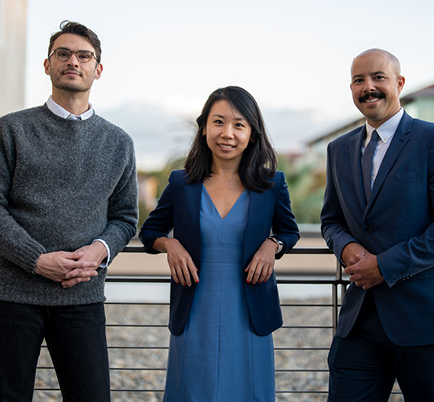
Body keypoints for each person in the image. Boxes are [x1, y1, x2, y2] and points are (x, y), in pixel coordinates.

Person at [0, 21, 138, 401]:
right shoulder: (10, 130)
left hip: (83, 296)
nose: (72, 61)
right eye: (63, 53)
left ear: (98, 69)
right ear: (48, 65)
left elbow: (126, 217)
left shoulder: (118, 142)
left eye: (83, 55)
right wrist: (36, 260)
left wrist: (100, 250)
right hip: (12, 297)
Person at [140, 86, 299, 401]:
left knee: (247, 389)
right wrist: (170, 246)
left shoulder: (272, 184)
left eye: (239, 124)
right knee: (193, 387)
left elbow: (289, 231)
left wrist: (273, 245)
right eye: (218, 122)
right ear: (204, 128)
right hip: (196, 305)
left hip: (249, 307)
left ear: (252, 133)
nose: (228, 133)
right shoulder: (180, 183)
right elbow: (150, 231)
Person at [321, 48, 434, 401]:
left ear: (399, 83)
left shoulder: (430, 140)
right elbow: (331, 220)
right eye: (359, 80)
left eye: (378, 77)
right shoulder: (338, 149)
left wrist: (384, 266)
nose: (368, 87)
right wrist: (346, 245)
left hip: (423, 319)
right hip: (359, 321)